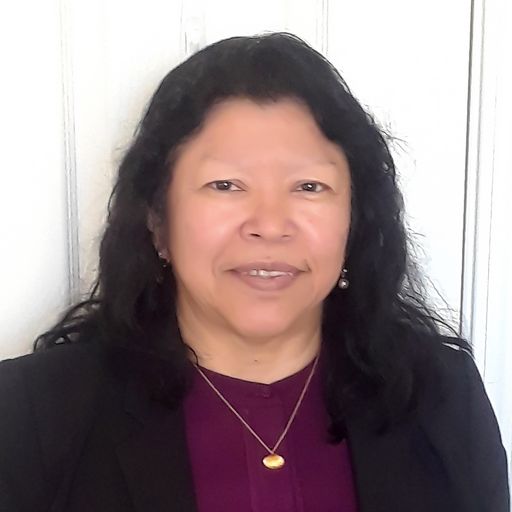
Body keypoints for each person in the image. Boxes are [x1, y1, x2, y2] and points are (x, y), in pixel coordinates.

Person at [0, 32, 509, 512]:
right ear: (157, 221)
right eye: (225, 185)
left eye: (309, 187)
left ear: (354, 220)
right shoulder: (33, 414)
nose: (269, 225)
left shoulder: (441, 397)